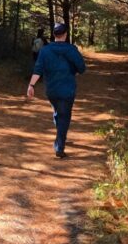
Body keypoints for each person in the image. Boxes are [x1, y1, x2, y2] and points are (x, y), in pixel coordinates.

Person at [26, 22, 85, 158]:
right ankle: (60, 147)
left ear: (54, 35)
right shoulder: (72, 50)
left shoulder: (45, 50)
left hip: (51, 90)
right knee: (64, 116)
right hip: (67, 89)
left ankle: (60, 138)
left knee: (58, 113)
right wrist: (73, 69)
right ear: (65, 34)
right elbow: (82, 68)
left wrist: (31, 85)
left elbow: (38, 69)